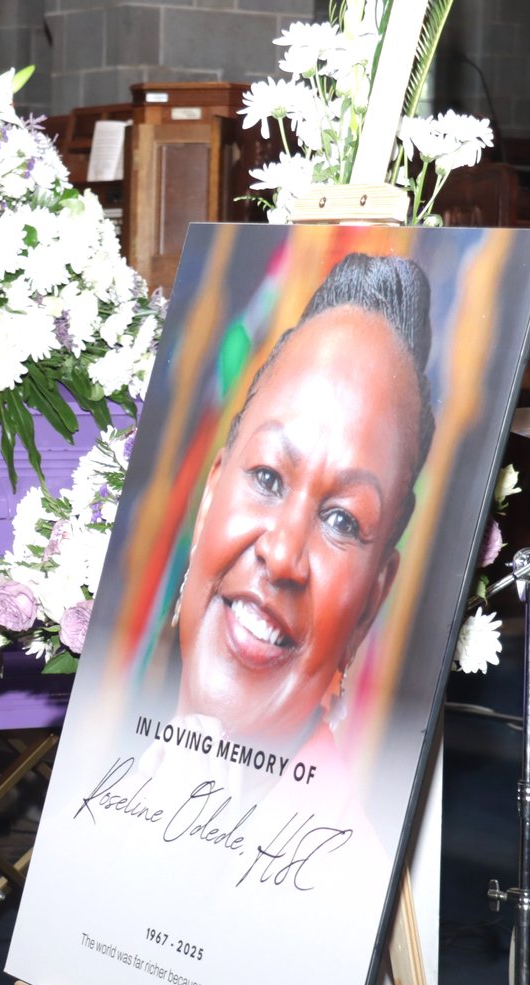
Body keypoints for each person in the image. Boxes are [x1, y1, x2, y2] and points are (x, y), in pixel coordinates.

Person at [174, 252, 434, 759]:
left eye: (342, 519)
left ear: (371, 603)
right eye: (268, 477)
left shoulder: (344, 840)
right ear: (209, 500)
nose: (283, 554)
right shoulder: (100, 772)